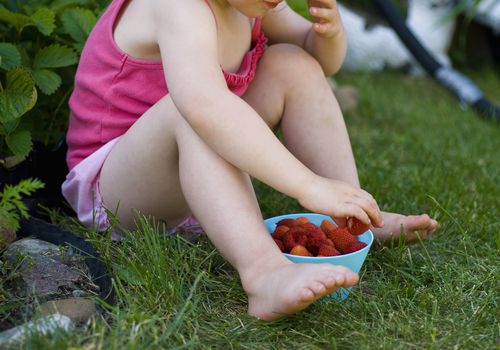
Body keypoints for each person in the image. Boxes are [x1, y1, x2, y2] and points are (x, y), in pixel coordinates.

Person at [62, 0, 438, 321]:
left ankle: (355, 215)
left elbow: (321, 61)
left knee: (293, 62)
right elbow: (205, 108)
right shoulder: (177, 6)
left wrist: (328, 33)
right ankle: (263, 272)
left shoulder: (253, 3)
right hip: (119, 189)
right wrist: (307, 185)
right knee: (193, 111)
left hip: (194, 173)